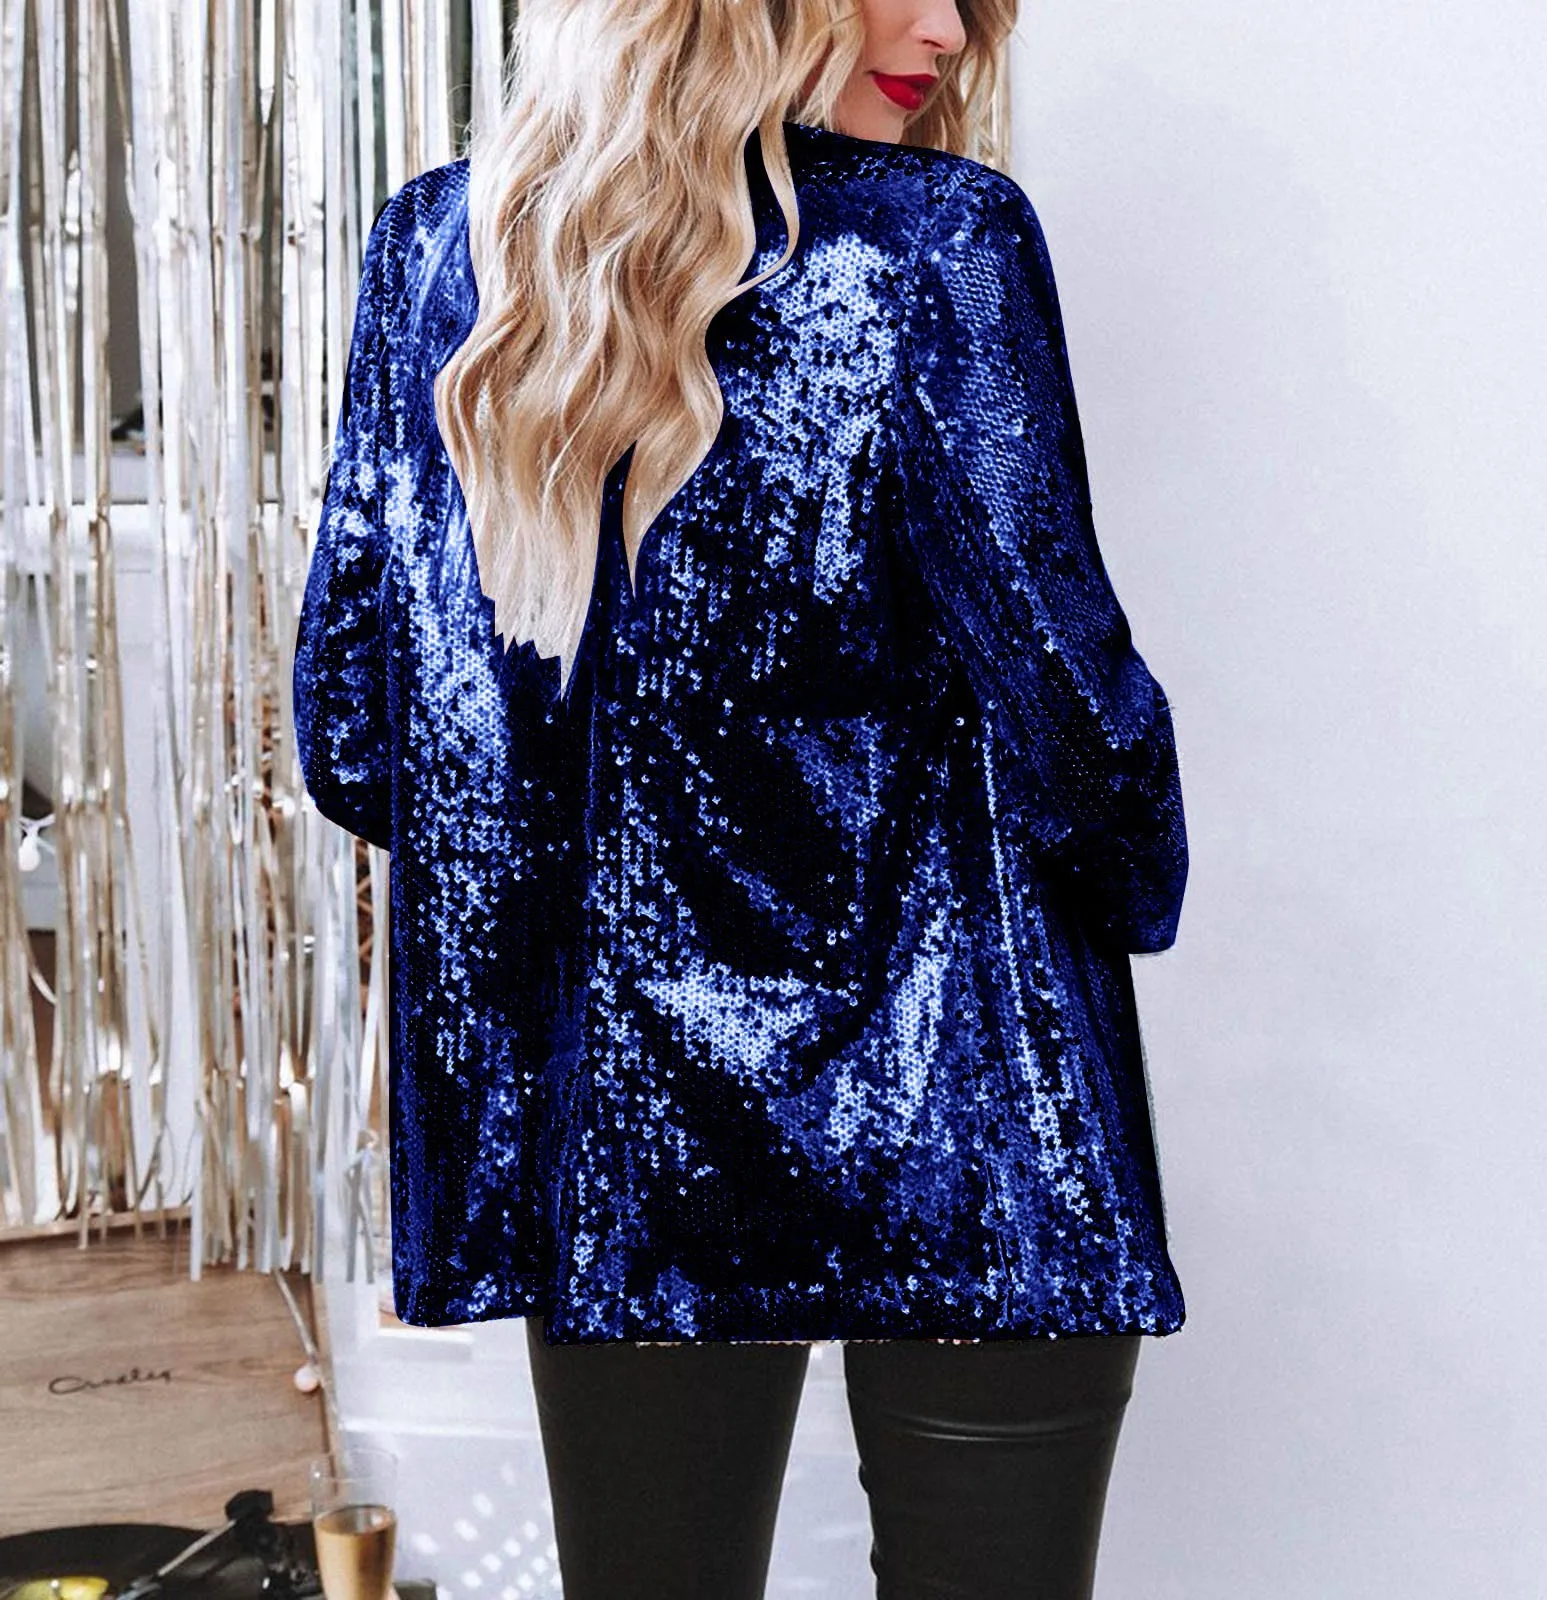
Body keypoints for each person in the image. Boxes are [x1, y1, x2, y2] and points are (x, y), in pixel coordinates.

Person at [293, 0, 1190, 1594]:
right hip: (976, 1097)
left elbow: (359, 736)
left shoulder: (445, 251)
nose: (944, 28)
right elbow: (1070, 699)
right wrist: (1136, 882)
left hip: (628, 1132)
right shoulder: (940, 242)